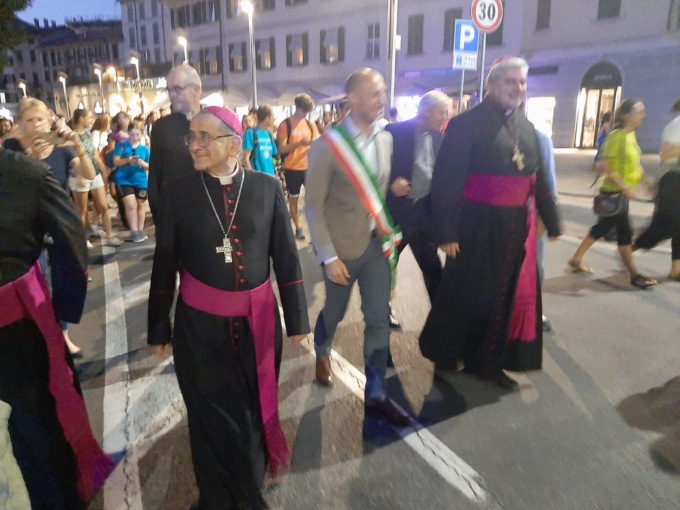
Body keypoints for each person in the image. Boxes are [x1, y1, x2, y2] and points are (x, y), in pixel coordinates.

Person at [148, 106, 309, 509]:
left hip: (258, 324)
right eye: (191, 136)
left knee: (253, 408)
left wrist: (297, 320)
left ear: (235, 144)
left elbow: (286, 257)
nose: (194, 145)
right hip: (200, 329)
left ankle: (248, 486)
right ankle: (217, 498)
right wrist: (158, 326)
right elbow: (165, 261)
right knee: (209, 416)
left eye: (205, 137)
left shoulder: (267, 188)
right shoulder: (178, 193)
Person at [418, 57, 561, 391]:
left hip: (513, 229)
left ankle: (487, 363)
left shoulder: (527, 127)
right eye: (510, 81)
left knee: (500, 298)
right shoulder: (465, 124)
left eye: (522, 82)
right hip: (473, 225)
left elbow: (537, 178)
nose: (518, 88)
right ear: (492, 85)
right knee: (463, 294)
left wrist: (551, 220)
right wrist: (447, 232)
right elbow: (447, 182)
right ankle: (446, 354)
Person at [0, 147, 114, 509]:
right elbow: (70, 242)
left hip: (16, 326)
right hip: (18, 324)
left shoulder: (27, 173)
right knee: (34, 430)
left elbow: (71, 242)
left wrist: (61, 312)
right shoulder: (28, 172)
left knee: (35, 430)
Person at [305, 68, 409, 427]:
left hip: (376, 244)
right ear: (353, 98)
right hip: (341, 251)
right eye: (376, 93)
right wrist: (328, 256)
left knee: (378, 319)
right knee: (333, 312)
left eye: (383, 92)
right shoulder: (327, 145)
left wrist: (391, 187)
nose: (383, 99)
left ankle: (376, 392)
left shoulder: (386, 139)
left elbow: (373, 189)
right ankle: (322, 350)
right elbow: (314, 207)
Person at [3, 97, 96, 355]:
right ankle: (44, 336)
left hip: (58, 226)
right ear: (20, 123)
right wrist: (30, 154)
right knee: (36, 284)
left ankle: (62, 334)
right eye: (29, 120)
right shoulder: (11, 148)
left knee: (64, 282)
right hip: (26, 229)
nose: (35, 125)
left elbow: (89, 174)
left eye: (40, 119)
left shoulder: (62, 147)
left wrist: (78, 145)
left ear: (49, 121)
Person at [568, 99, 657, 289]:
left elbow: (635, 163)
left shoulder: (630, 135)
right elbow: (605, 166)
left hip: (621, 194)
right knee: (624, 233)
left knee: (602, 228)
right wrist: (624, 187)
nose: (643, 115)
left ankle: (576, 258)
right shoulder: (615, 137)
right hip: (612, 193)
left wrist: (646, 183)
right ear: (625, 115)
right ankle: (634, 274)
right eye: (639, 112)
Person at [385, 90, 452, 304]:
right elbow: (376, 168)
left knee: (433, 269)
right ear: (425, 112)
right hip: (397, 214)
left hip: (423, 213)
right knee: (386, 266)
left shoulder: (441, 137)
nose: (445, 117)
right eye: (442, 112)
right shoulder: (395, 132)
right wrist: (391, 183)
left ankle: (440, 319)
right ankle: (382, 311)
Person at [148, 64, 202, 225]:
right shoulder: (161, 128)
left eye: (177, 89)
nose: (172, 95)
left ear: (196, 89)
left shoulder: (212, 122)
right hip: (175, 215)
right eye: (169, 90)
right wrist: (160, 220)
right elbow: (155, 177)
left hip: (210, 213)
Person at [633, 98, 680, 281]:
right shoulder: (676, 125)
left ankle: (676, 269)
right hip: (672, 179)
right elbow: (666, 153)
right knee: (664, 225)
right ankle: (630, 248)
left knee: (676, 225)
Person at [70, 108, 123, 246]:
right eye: (89, 117)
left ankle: (109, 235)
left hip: (95, 172)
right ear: (81, 119)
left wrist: (102, 166)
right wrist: (77, 175)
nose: (91, 120)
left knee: (104, 205)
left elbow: (93, 152)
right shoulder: (72, 136)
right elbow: (71, 158)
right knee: (82, 209)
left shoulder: (87, 133)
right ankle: (83, 238)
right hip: (80, 175)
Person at [277, 93, 320, 240]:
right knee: (293, 199)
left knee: (314, 199)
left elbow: (317, 143)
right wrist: (299, 144)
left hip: (308, 167)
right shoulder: (285, 125)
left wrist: (312, 144)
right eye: (305, 110)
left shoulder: (310, 124)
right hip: (292, 168)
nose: (306, 114)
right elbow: (282, 149)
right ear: (298, 107)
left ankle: (314, 229)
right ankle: (298, 227)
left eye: (308, 111)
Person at [535, 129, 558, 331]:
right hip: (496, 219)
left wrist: (544, 220)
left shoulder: (538, 139)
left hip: (531, 216)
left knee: (535, 267)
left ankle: (533, 310)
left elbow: (549, 181)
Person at [113, 120, 150, 243]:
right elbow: (115, 162)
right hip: (124, 179)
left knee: (141, 205)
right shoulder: (121, 146)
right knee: (130, 205)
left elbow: (150, 165)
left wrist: (142, 163)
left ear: (141, 134)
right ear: (128, 133)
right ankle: (134, 231)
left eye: (137, 134)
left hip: (140, 180)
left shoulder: (145, 149)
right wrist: (127, 160)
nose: (134, 137)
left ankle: (140, 229)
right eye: (132, 134)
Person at [242, 105, 278, 176]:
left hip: (271, 176)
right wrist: (252, 177)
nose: (274, 119)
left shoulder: (269, 134)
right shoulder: (251, 133)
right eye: (272, 116)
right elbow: (246, 158)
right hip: (258, 177)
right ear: (267, 118)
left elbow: (273, 156)